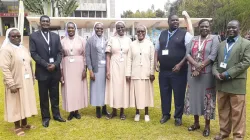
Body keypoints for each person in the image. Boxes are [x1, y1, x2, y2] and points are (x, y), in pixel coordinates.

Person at [212, 20, 250, 140]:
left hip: (236, 84)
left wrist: (227, 74)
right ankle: (224, 133)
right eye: (229, 28)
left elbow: (246, 62)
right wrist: (216, 73)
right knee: (223, 110)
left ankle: (238, 136)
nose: (231, 30)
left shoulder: (246, 43)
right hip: (221, 83)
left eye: (234, 28)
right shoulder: (221, 44)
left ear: (239, 29)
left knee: (237, 112)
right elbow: (215, 62)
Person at [184, 19, 219, 137]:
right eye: (202, 26)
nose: (204, 28)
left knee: (207, 100)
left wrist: (199, 68)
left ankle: (207, 126)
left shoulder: (214, 38)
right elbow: (187, 54)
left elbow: (213, 55)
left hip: (207, 75)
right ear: (199, 27)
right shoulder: (193, 39)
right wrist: (195, 65)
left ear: (210, 27)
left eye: (206, 26)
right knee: (194, 97)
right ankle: (196, 123)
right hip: (192, 74)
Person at [155, 14, 193, 126]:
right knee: (164, 93)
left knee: (179, 94)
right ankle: (165, 114)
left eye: (177, 20)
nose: (175, 22)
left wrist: (180, 65)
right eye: (173, 20)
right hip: (164, 71)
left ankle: (178, 117)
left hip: (179, 71)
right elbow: (157, 49)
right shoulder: (162, 34)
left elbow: (189, 52)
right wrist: (155, 62)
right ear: (168, 22)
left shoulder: (185, 34)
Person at [30, 15, 66, 128]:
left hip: (54, 71)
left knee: (55, 95)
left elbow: (60, 53)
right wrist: (46, 65)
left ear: (49, 23)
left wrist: (55, 64)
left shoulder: (56, 36)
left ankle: (56, 115)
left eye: (47, 21)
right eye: (43, 21)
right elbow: (33, 53)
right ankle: (46, 117)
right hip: (42, 71)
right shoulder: (33, 36)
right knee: (43, 96)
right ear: (40, 23)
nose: (45, 23)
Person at [0, 28, 37, 136]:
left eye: (18, 36)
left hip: (26, 81)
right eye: (13, 36)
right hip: (15, 82)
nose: (16, 38)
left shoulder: (23, 48)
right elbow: (5, 68)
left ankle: (25, 124)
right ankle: (17, 127)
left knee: (25, 102)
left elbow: (29, 63)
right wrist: (11, 84)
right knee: (16, 104)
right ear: (8, 37)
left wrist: (32, 77)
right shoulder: (6, 50)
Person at [126, 25, 155, 122]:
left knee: (146, 94)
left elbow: (152, 59)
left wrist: (152, 72)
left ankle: (146, 113)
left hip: (146, 74)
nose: (140, 33)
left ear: (145, 32)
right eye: (138, 31)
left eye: (142, 31)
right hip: (136, 73)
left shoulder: (150, 44)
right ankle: (137, 112)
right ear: (136, 33)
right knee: (136, 94)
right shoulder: (132, 44)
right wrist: (128, 73)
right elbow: (129, 59)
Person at [60, 22, 88, 120]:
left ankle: (77, 111)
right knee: (69, 88)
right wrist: (61, 71)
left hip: (79, 67)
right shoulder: (62, 41)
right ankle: (71, 111)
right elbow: (60, 56)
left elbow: (85, 55)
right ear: (66, 29)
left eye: (72, 28)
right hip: (67, 67)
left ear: (75, 29)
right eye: (69, 28)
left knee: (78, 89)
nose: (71, 30)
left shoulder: (82, 40)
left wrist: (85, 69)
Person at [105, 21, 131, 120]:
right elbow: (107, 55)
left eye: (122, 27)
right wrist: (108, 70)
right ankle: (114, 111)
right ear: (116, 29)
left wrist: (130, 71)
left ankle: (122, 111)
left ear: (125, 28)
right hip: (114, 66)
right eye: (118, 28)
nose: (120, 29)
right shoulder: (111, 39)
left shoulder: (129, 40)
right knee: (114, 88)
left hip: (125, 66)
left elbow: (131, 56)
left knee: (123, 87)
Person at [86, 22, 109, 118]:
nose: (99, 30)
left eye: (101, 28)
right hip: (96, 68)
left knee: (104, 88)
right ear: (94, 29)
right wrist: (90, 70)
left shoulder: (106, 40)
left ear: (103, 30)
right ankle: (98, 109)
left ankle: (104, 108)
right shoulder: (90, 41)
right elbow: (87, 56)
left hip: (105, 68)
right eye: (97, 28)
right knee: (96, 89)